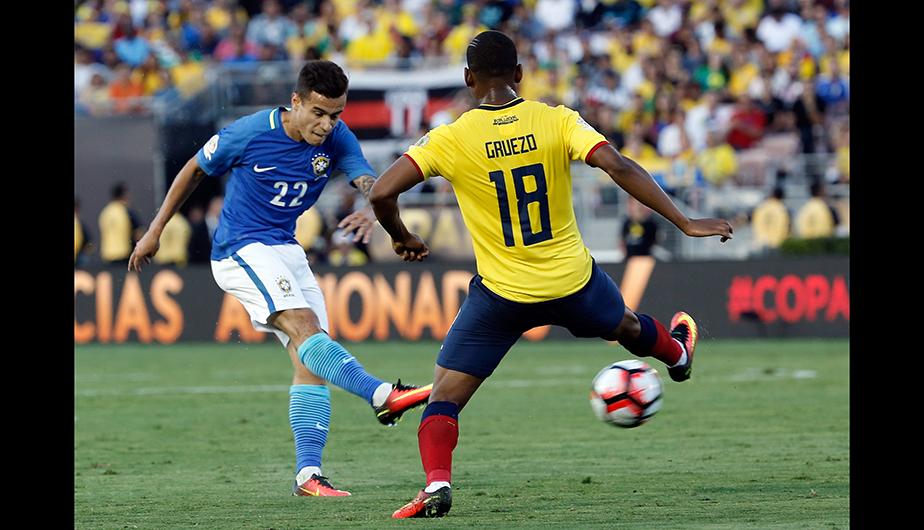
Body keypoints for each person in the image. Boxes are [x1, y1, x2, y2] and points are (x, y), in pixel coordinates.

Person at [368, 31, 733, 519]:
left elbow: (381, 194)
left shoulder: (450, 138)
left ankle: (436, 485)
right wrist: (684, 222)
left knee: (444, 398)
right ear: (519, 74)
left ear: (467, 79)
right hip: (572, 283)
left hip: (502, 295)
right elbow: (617, 165)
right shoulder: (556, 119)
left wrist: (401, 236)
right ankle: (677, 354)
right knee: (625, 326)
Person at [128, 60, 432, 497]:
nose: (327, 125)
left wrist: (375, 207)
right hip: (240, 248)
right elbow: (194, 169)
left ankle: (307, 476)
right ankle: (383, 395)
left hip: (286, 249)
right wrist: (155, 230)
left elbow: (368, 179)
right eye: (319, 113)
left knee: (311, 360)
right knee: (307, 330)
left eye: (336, 116)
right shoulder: (250, 132)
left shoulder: (337, 138)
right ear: (296, 102)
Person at [99, 182, 144, 266]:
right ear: (124, 195)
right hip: (123, 255)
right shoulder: (126, 211)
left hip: (107, 255)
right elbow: (139, 234)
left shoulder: (105, 212)